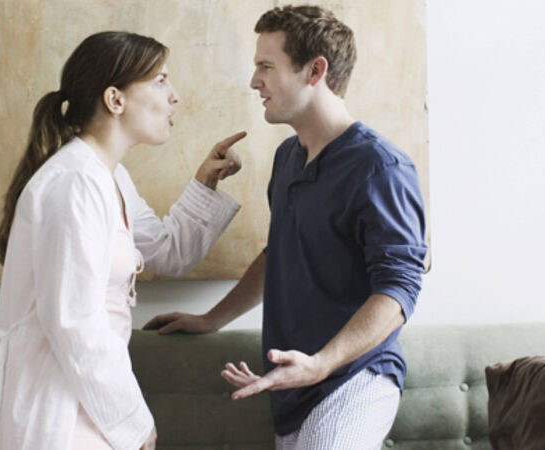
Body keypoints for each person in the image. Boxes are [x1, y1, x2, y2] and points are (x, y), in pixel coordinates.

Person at [144, 5, 427, 449]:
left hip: (355, 378)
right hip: (293, 386)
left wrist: (322, 363)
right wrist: (211, 318)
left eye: (266, 66)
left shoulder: (381, 167)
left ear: (315, 71)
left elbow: (399, 289)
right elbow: (279, 253)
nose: (254, 81)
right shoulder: (288, 158)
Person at [0, 31, 245, 450]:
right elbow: (74, 322)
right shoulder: (75, 181)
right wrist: (133, 421)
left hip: (86, 400)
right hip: (58, 406)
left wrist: (206, 181)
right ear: (115, 100)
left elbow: (168, 251)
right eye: (160, 80)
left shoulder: (108, 176)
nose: (174, 96)